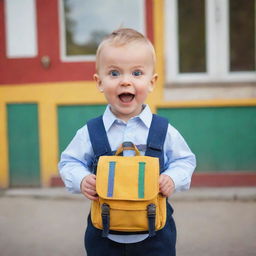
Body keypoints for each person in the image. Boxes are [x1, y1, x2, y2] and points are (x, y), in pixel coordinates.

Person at [59, 28, 196, 256]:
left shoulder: (162, 130)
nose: (125, 82)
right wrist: (81, 179)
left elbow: (185, 160)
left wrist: (172, 177)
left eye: (136, 73)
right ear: (99, 82)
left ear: (152, 82)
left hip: (156, 235)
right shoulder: (91, 132)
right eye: (114, 74)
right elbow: (68, 162)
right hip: (104, 236)